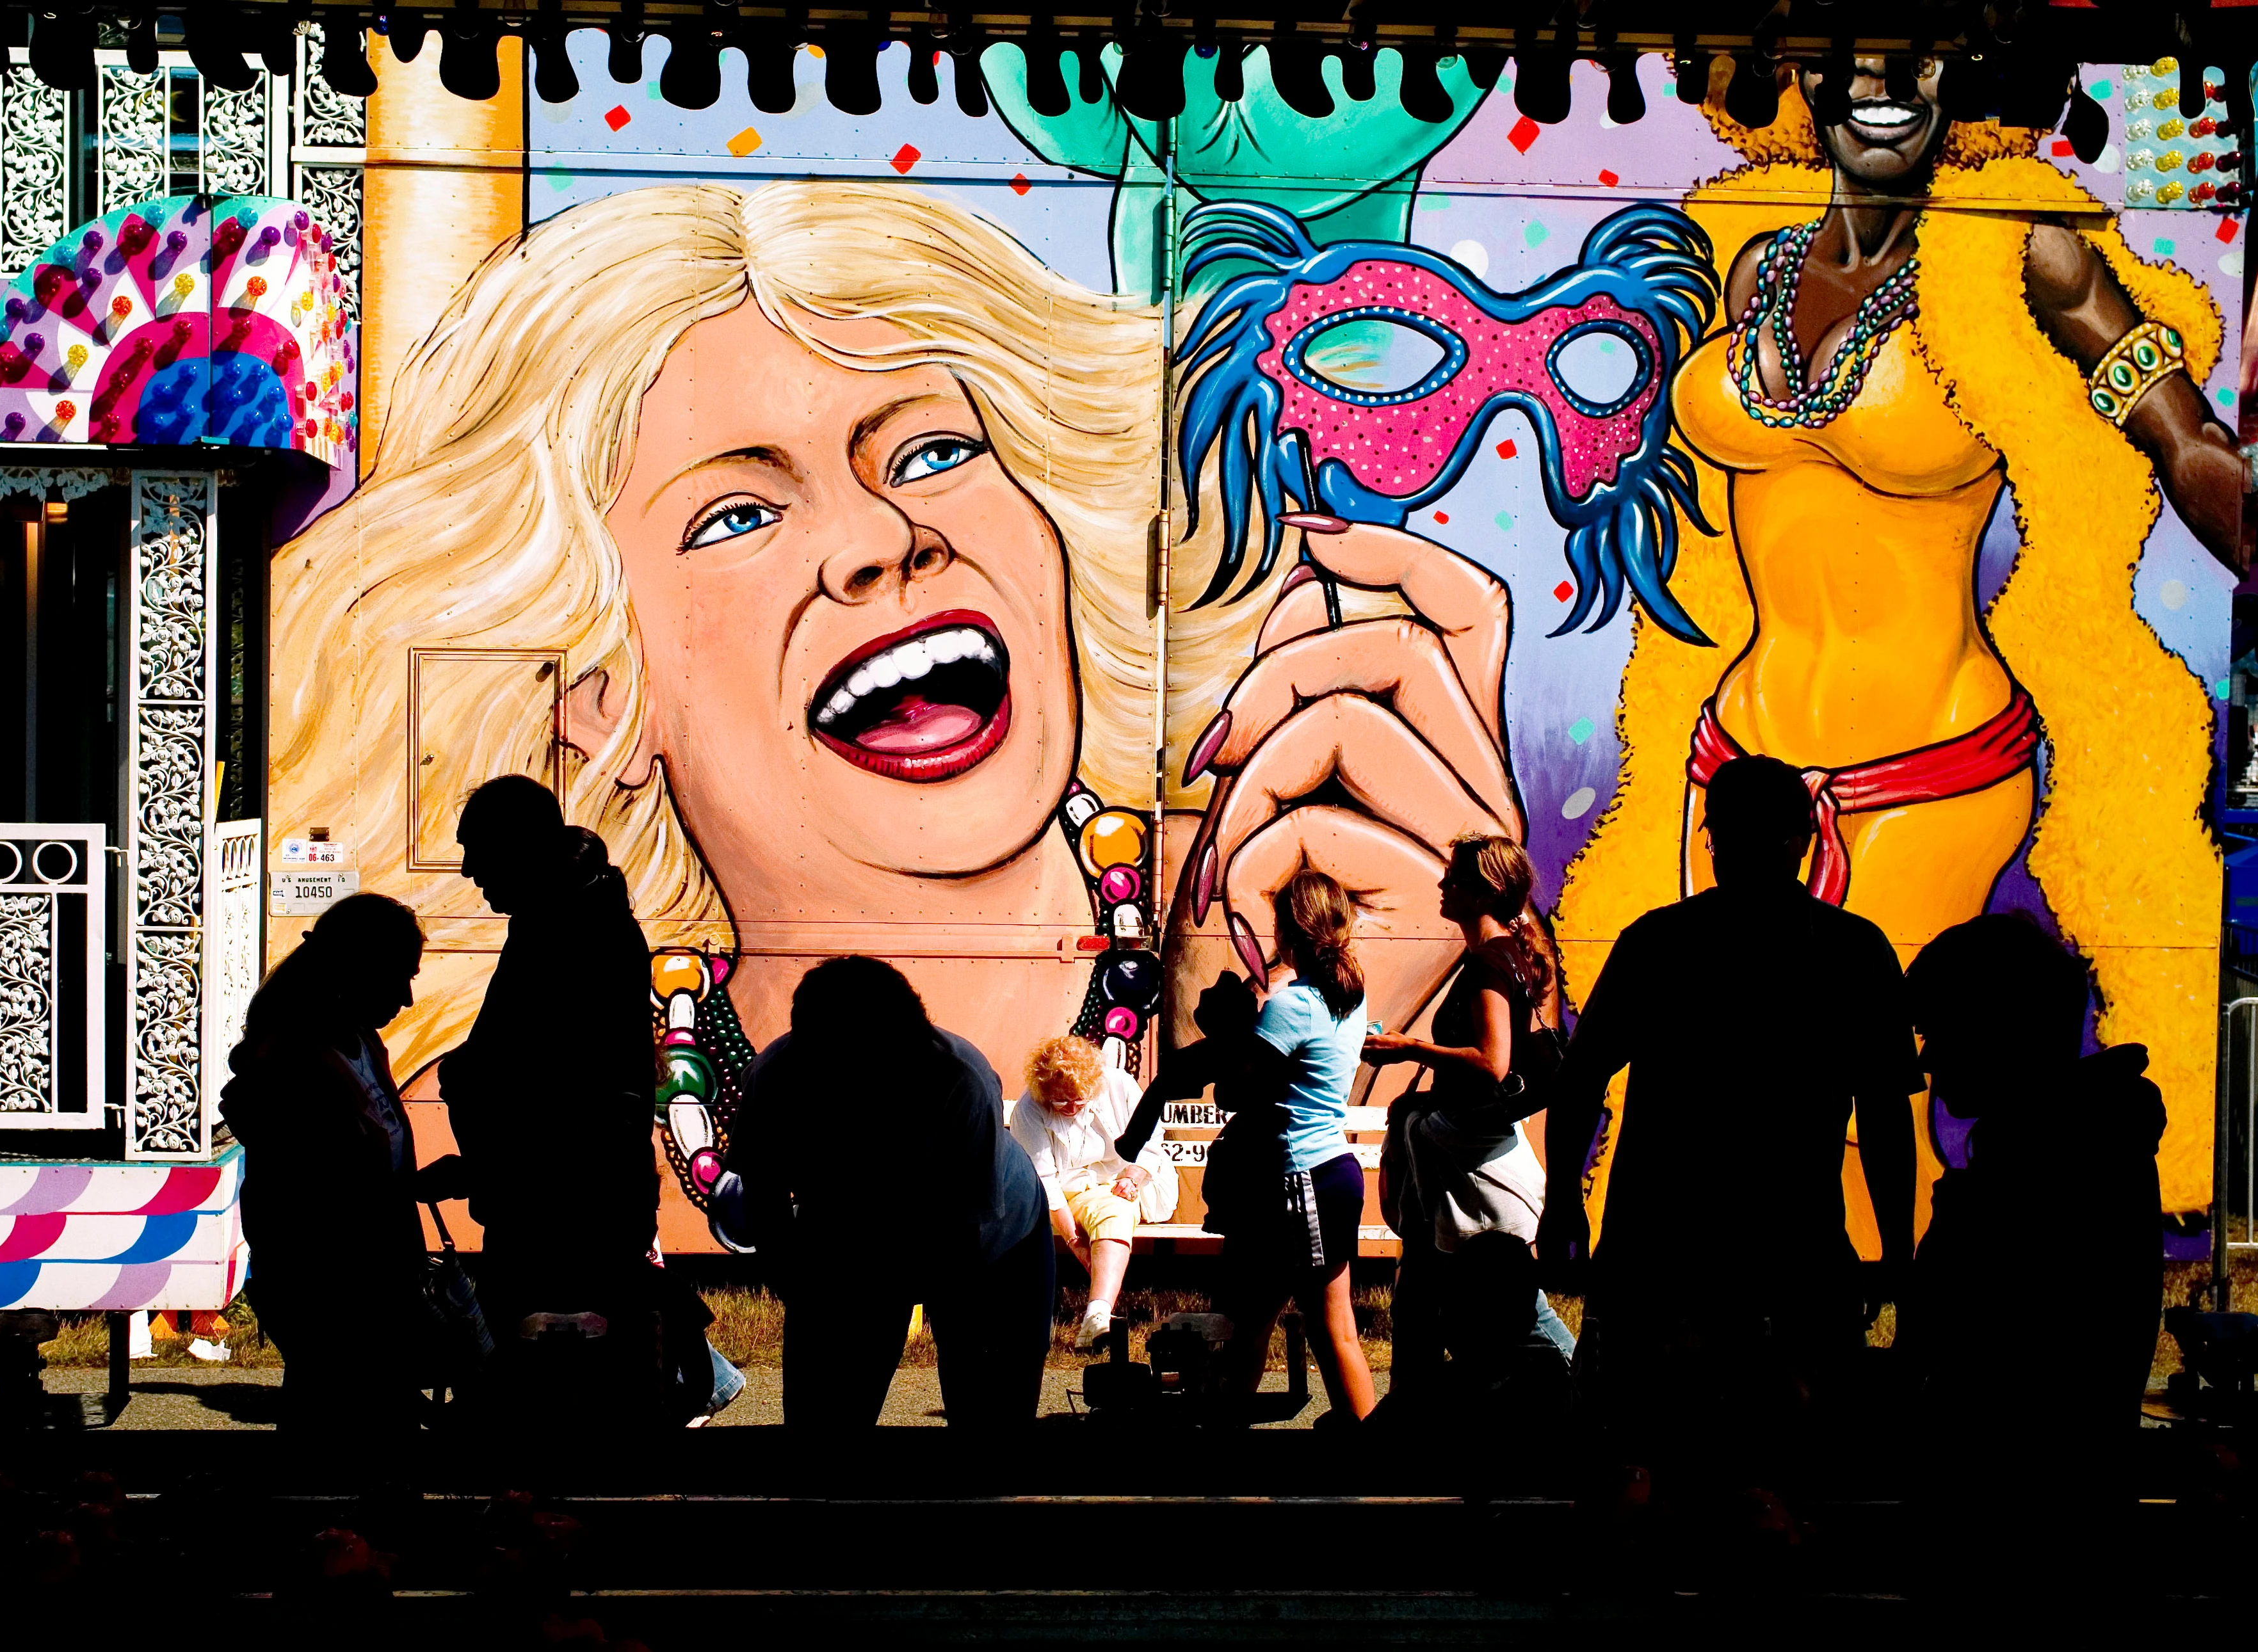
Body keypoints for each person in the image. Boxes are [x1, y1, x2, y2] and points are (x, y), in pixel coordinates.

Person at [270, 179, 1520, 1242]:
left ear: (1057, 540)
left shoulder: (1260, 946)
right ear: (609, 695)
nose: (878, 540)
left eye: (930, 452)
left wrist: (1416, 1016)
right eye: (737, 516)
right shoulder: (541, 1111)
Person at [1564, 57, 2234, 1250]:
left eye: (1914, 50)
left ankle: (1880, 1360)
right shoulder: (1755, 262)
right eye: (1845, 50)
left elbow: (2189, 446)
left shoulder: (2028, 258)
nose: (1880, 75)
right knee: (1713, 1089)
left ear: (1962, 75)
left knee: (1878, 1098)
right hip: (1737, 762)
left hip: (1932, 773)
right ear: (1797, 82)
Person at [1540, 755, 1921, 1485]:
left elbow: (1582, 1079)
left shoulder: (1661, 943)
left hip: (1659, 1255)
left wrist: (1565, 1205)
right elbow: (1883, 1115)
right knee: (1790, 1473)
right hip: (1796, 1255)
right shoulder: (1852, 952)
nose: (1725, 852)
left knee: (1641, 1466)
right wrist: (1898, 1252)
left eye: (1729, 837)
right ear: (1804, 839)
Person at [727, 956, 1052, 1427]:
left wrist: (884, 1299)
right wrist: (808, 1299)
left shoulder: (959, 1078)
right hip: (845, 1228)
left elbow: (959, 1247)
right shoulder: (775, 1077)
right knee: (821, 1426)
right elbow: (766, 1205)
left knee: (990, 1418)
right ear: (810, 1045)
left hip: (994, 1242)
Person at [1901, 913, 2165, 1446]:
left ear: (1996, 1031)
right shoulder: (2094, 1149)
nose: (1926, 1059)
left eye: (1937, 1031)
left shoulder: (2022, 1185)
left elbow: (1953, 1364)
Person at [432, 775, 658, 1343]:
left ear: (517, 847)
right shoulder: (564, 916)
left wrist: (467, 1080)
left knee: (551, 1387)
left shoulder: (571, 929)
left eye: (474, 849)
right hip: (568, 1203)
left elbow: (555, 1092)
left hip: (565, 1221)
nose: (466, 871)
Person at [1360, 835, 1574, 1413]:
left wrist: (1408, 1048)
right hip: (1462, 1163)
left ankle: (1586, 1393)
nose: (1441, 884)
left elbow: (1492, 1061)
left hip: (1474, 1168)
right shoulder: (1506, 955)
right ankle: (1408, 1429)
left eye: (1453, 877)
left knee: (1515, 1306)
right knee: (1423, 1301)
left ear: (1484, 890)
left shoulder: (1487, 963)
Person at [222, 893, 444, 1438]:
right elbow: (313, 1185)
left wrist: (408, 1186)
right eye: (398, 977)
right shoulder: (290, 1058)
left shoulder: (363, 1041)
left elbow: (357, 1165)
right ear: (357, 969)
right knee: (336, 1434)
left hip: (371, 1279)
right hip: (328, 1287)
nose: (409, 998)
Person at [1209, 870, 1380, 1425]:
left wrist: (1235, 1029)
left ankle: (1217, 1452)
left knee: (1266, 1321)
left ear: (1287, 929)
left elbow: (1236, 1091)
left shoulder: (1293, 1005)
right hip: (1331, 1170)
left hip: (1297, 1179)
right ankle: (1372, 1455)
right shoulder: (1349, 999)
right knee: (1326, 1323)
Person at [1009, 1034, 1181, 1349]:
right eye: (1060, 1101)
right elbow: (1045, 1180)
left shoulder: (1118, 1084)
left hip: (1128, 1180)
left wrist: (1133, 1177)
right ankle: (1097, 1317)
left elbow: (1151, 1140)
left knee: (1117, 1207)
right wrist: (1076, 1243)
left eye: (1079, 1098)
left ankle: (1096, 1318)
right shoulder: (1029, 1108)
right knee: (1115, 1210)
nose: (1071, 1107)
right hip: (1068, 1190)